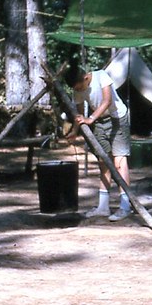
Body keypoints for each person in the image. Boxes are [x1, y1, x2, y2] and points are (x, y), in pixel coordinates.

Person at [64, 64, 134, 221]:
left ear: (86, 78)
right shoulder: (77, 89)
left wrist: (91, 119)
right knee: (104, 162)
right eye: (76, 89)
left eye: (80, 87)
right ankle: (103, 206)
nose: (79, 91)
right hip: (100, 123)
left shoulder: (101, 76)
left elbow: (107, 101)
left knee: (119, 162)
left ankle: (125, 205)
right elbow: (79, 113)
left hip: (118, 119)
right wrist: (75, 131)